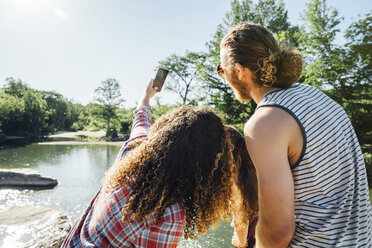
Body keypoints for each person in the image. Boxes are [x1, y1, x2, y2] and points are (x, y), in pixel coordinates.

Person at [218, 22, 372, 247]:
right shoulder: (314, 96)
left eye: (222, 69)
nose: (223, 75)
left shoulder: (264, 123)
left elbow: (277, 233)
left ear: (240, 71)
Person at [62, 79, 237, 247]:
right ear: (208, 164)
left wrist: (146, 95)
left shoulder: (132, 151)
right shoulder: (169, 215)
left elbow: (141, 117)